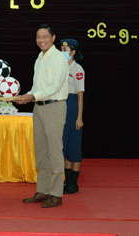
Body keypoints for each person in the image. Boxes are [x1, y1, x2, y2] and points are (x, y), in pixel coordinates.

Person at [16, 24, 69, 208]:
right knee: (41, 152)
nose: (41, 40)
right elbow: (38, 87)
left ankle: (56, 194)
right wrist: (27, 96)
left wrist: (33, 96)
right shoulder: (39, 58)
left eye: (45, 36)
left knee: (54, 151)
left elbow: (54, 87)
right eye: (38, 37)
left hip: (54, 107)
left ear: (53, 38)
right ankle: (43, 190)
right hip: (38, 107)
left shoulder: (60, 58)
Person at [60, 39, 85, 194]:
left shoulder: (78, 69)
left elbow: (80, 95)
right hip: (60, 105)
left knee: (74, 146)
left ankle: (73, 183)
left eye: (65, 49)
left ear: (73, 52)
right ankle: (66, 181)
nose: (63, 51)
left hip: (73, 106)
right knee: (63, 145)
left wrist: (79, 117)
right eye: (61, 49)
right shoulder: (59, 68)